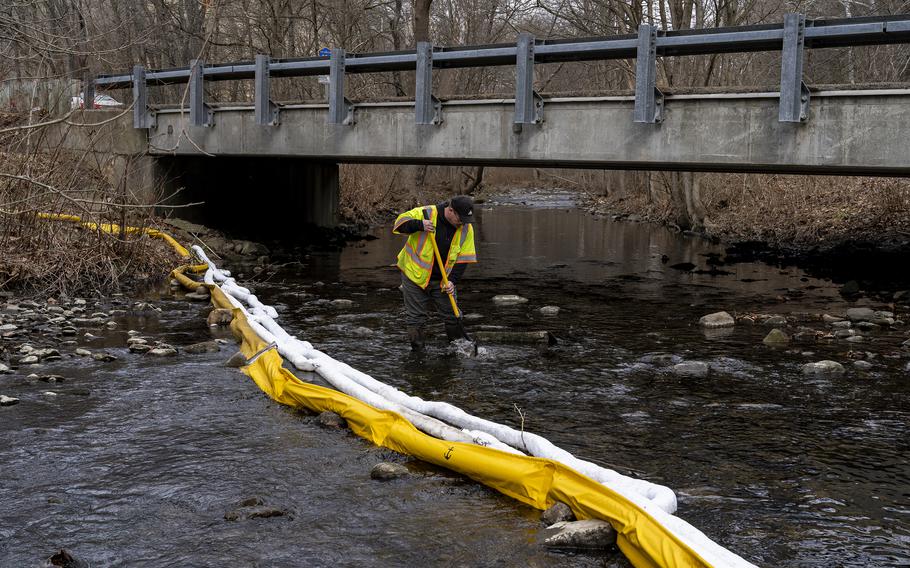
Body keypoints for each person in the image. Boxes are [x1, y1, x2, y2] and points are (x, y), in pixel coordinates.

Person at [392, 195, 477, 350]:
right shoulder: (426, 213)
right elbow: (398, 224)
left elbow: (463, 259)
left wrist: (452, 281)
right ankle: (417, 353)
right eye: (461, 219)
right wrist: (419, 225)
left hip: (443, 280)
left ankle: (457, 349)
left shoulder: (466, 228)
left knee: (453, 316)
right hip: (414, 276)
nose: (463, 223)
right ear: (451, 210)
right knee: (416, 319)